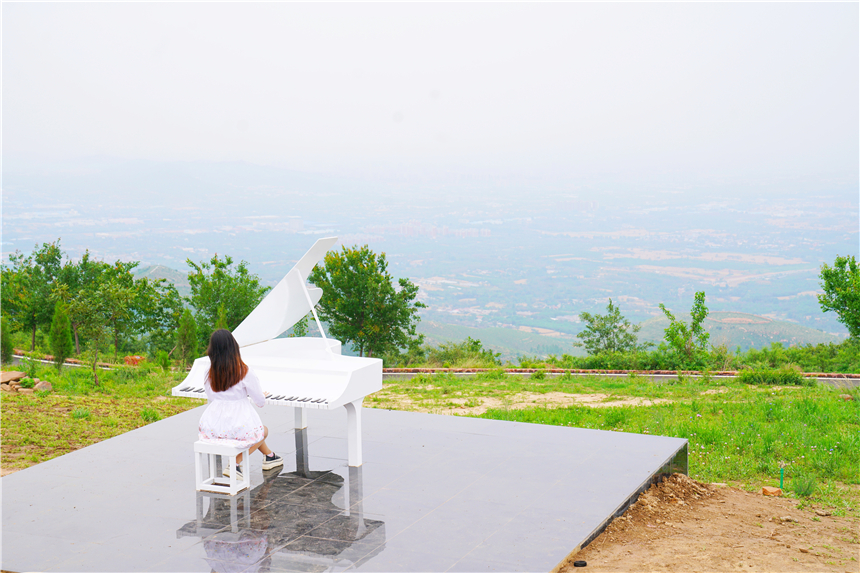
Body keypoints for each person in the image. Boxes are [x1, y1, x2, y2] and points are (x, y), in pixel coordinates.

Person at [198, 329, 283, 478]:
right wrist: (255, 396)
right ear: (234, 347)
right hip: (238, 423)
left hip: (213, 425)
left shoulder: (209, 371)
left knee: (255, 432)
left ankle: (270, 456)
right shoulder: (244, 370)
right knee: (262, 432)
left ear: (212, 349)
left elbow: (211, 396)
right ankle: (234, 464)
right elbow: (260, 402)